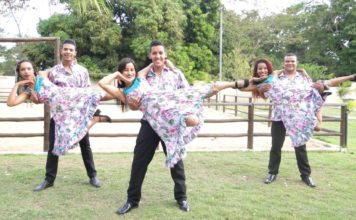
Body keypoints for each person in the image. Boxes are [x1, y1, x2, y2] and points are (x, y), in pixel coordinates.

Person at [102, 40, 251, 215]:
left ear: (165, 55)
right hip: (150, 123)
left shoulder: (175, 73)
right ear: (150, 56)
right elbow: (133, 98)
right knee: (139, 161)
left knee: (177, 160)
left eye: (161, 53)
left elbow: (187, 94)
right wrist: (134, 102)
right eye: (154, 53)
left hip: (171, 124)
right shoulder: (143, 75)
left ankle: (181, 197)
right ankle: (132, 200)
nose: (158, 56)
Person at [99, 58, 249, 168]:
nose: (130, 72)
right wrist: (117, 75)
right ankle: (133, 198)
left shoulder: (140, 77)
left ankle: (233, 84)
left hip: (168, 101)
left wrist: (168, 63)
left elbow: (154, 62)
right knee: (190, 123)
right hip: (159, 118)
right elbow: (102, 83)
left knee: (204, 92)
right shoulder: (122, 92)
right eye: (126, 69)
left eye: (131, 69)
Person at [258, 54, 355, 187]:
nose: (289, 63)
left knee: (300, 145)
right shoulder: (275, 78)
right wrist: (261, 90)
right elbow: (260, 88)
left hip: (298, 118)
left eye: (292, 61)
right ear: (283, 63)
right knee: (276, 145)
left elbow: (327, 83)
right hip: (279, 116)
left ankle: (306, 175)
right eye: (287, 61)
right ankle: (272, 173)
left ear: (296, 63)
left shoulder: (304, 78)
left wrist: (351, 77)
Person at [32, 39, 105, 191]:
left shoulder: (82, 71)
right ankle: (49, 179)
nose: (68, 52)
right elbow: (47, 90)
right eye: (65, 49)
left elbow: (86, 93)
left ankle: (92, 176)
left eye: (71, 50)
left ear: (75, 53)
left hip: (78, 117)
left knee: (85, 145)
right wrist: (41, 76)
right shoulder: (53, 72)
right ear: (61, 51)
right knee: (53, 145)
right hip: (59, 116)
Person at [7, 60, 112, 155]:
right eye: (23, 69)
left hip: (69, 95)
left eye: (28, 68)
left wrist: (71, 63)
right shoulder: (28, 91)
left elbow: (57, 69)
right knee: (67, 140)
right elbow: (11, 103)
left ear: (33, 69)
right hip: (61, 111)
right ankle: (96, 118)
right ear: (19, 72)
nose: (26, 71)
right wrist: (17, 85)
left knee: (99, 94)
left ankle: (122, 93)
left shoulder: (41, 75)